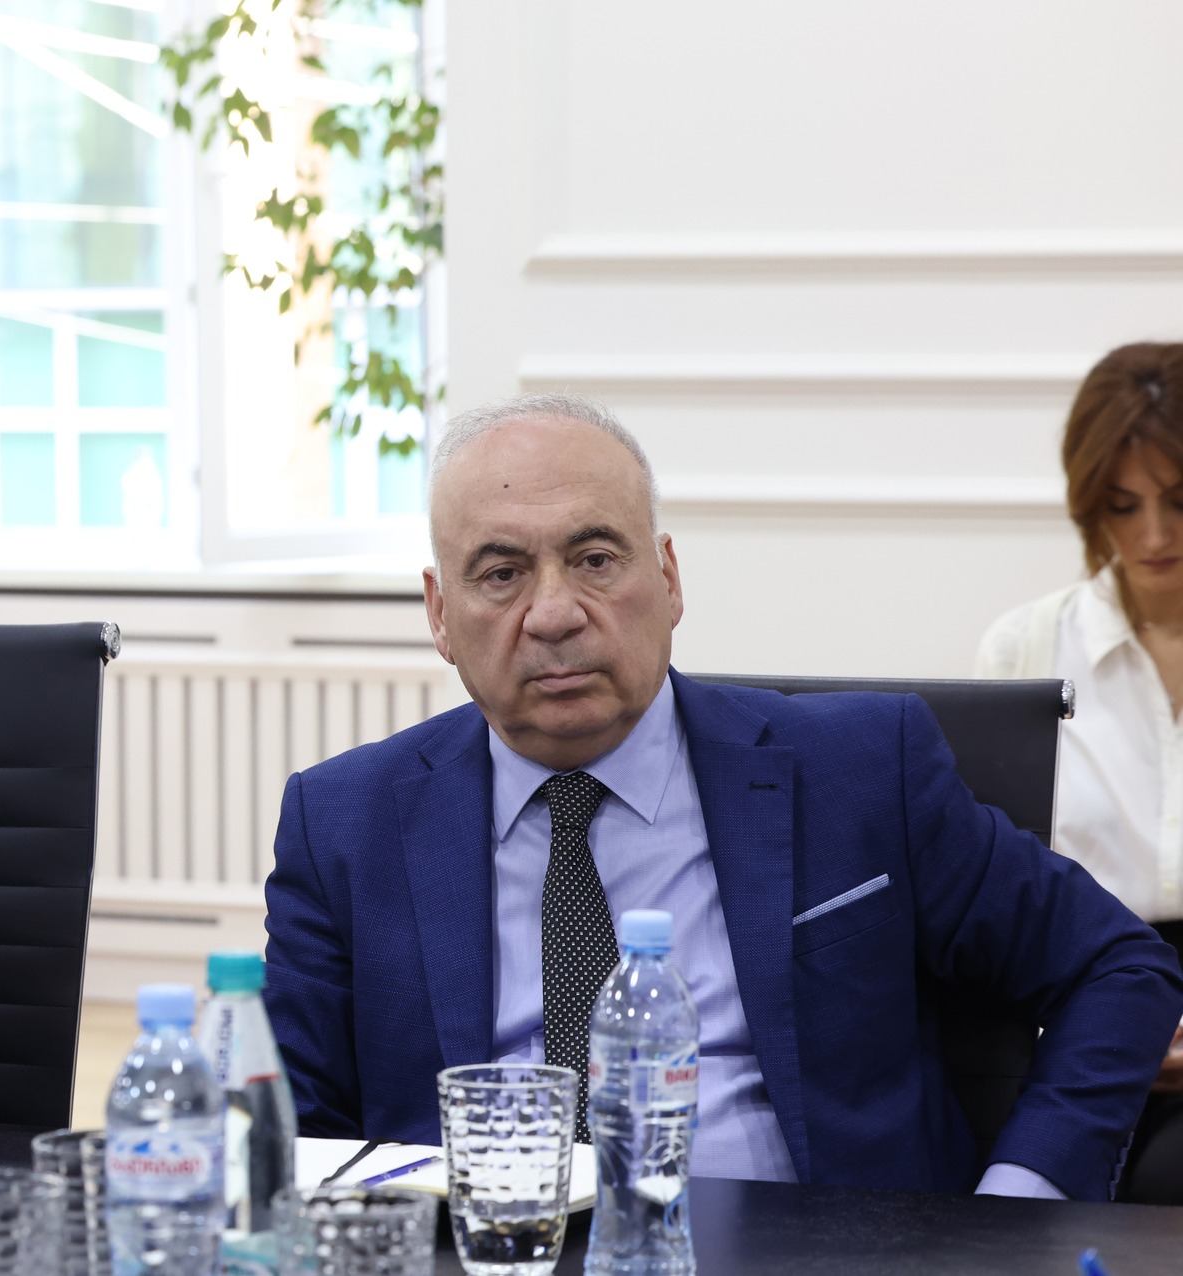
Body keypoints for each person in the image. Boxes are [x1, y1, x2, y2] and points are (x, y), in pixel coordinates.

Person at [264, 393, 1183, 1202]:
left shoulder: (862, 769)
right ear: (439, 613)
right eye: (501, 574)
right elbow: (287, 1129)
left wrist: (1015, 1206)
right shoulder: (343, 826)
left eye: (595, 559)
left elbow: (1116, 965)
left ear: (668, 579)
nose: (554, 613)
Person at [975, 342, 1183, 1202]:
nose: (1154, 537)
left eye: (1180, 501)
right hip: (1082, 996)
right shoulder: (1027, 649)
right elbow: (993, 897)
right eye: (1122, 506)